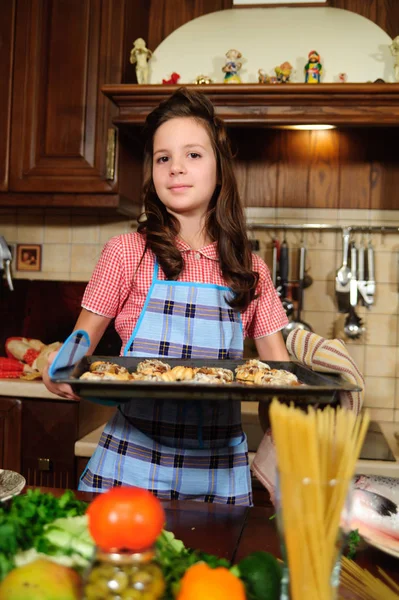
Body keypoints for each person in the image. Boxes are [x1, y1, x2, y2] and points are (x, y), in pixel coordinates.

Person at [43, 88, 289, 506]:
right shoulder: (126, 252)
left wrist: (312, 401)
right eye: (163, 158)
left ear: (220, 169)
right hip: (129, 467)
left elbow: (283, 377)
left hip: (219, 477)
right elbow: (78, 345)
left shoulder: (250, 270)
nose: (176, 168)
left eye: (193, 155)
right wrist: (61, 369)